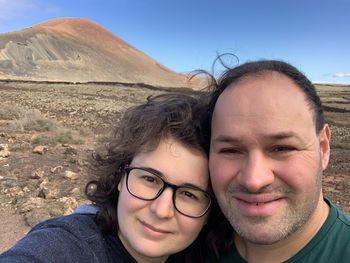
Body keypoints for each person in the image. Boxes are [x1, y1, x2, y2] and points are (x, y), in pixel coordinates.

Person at [0, 93, 230, 262]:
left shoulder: (200, 254)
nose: (161, 211)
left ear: (210, 212)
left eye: (189, 194)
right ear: (121, 175)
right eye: (150, 179)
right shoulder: (67, 246)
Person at [206, 59, 350, 262]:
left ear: (323, 148)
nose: (254, 180)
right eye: (231, 150)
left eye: (282, 148)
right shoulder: (185, 248)